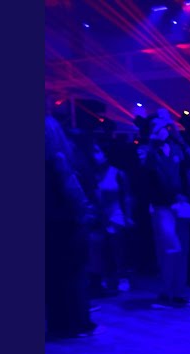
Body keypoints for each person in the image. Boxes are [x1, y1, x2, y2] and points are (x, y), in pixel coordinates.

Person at [45, 116, 98, 338]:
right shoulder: (62, 157)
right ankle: (77, 323)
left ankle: (58, 324)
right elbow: (74, 192)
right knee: (74, 273)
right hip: (70, 223)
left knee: (53, 275)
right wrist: (85, 213)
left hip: (50, 224)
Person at [144, 115, 190, 308]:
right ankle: (167, 291)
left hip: (180, 204)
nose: (161, 130)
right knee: (170, 248)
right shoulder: (149, 152)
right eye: (156, 127)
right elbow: (147, 173)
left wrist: (179, 138)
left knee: (183, 248)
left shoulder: (176, 148)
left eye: (164, 126)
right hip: (162, 206)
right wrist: (151, 145)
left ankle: (179, 292)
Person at [88, 142, 134, 295]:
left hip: (116, 213)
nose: (95, 155)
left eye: (98, 151)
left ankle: (122, 277)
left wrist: (128, 215)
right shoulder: (93, 174)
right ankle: (103, 277)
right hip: (99, 214)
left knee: (118, 246)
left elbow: (127, 195)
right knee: (100, 247)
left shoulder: (118, 173)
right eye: (93, 152)